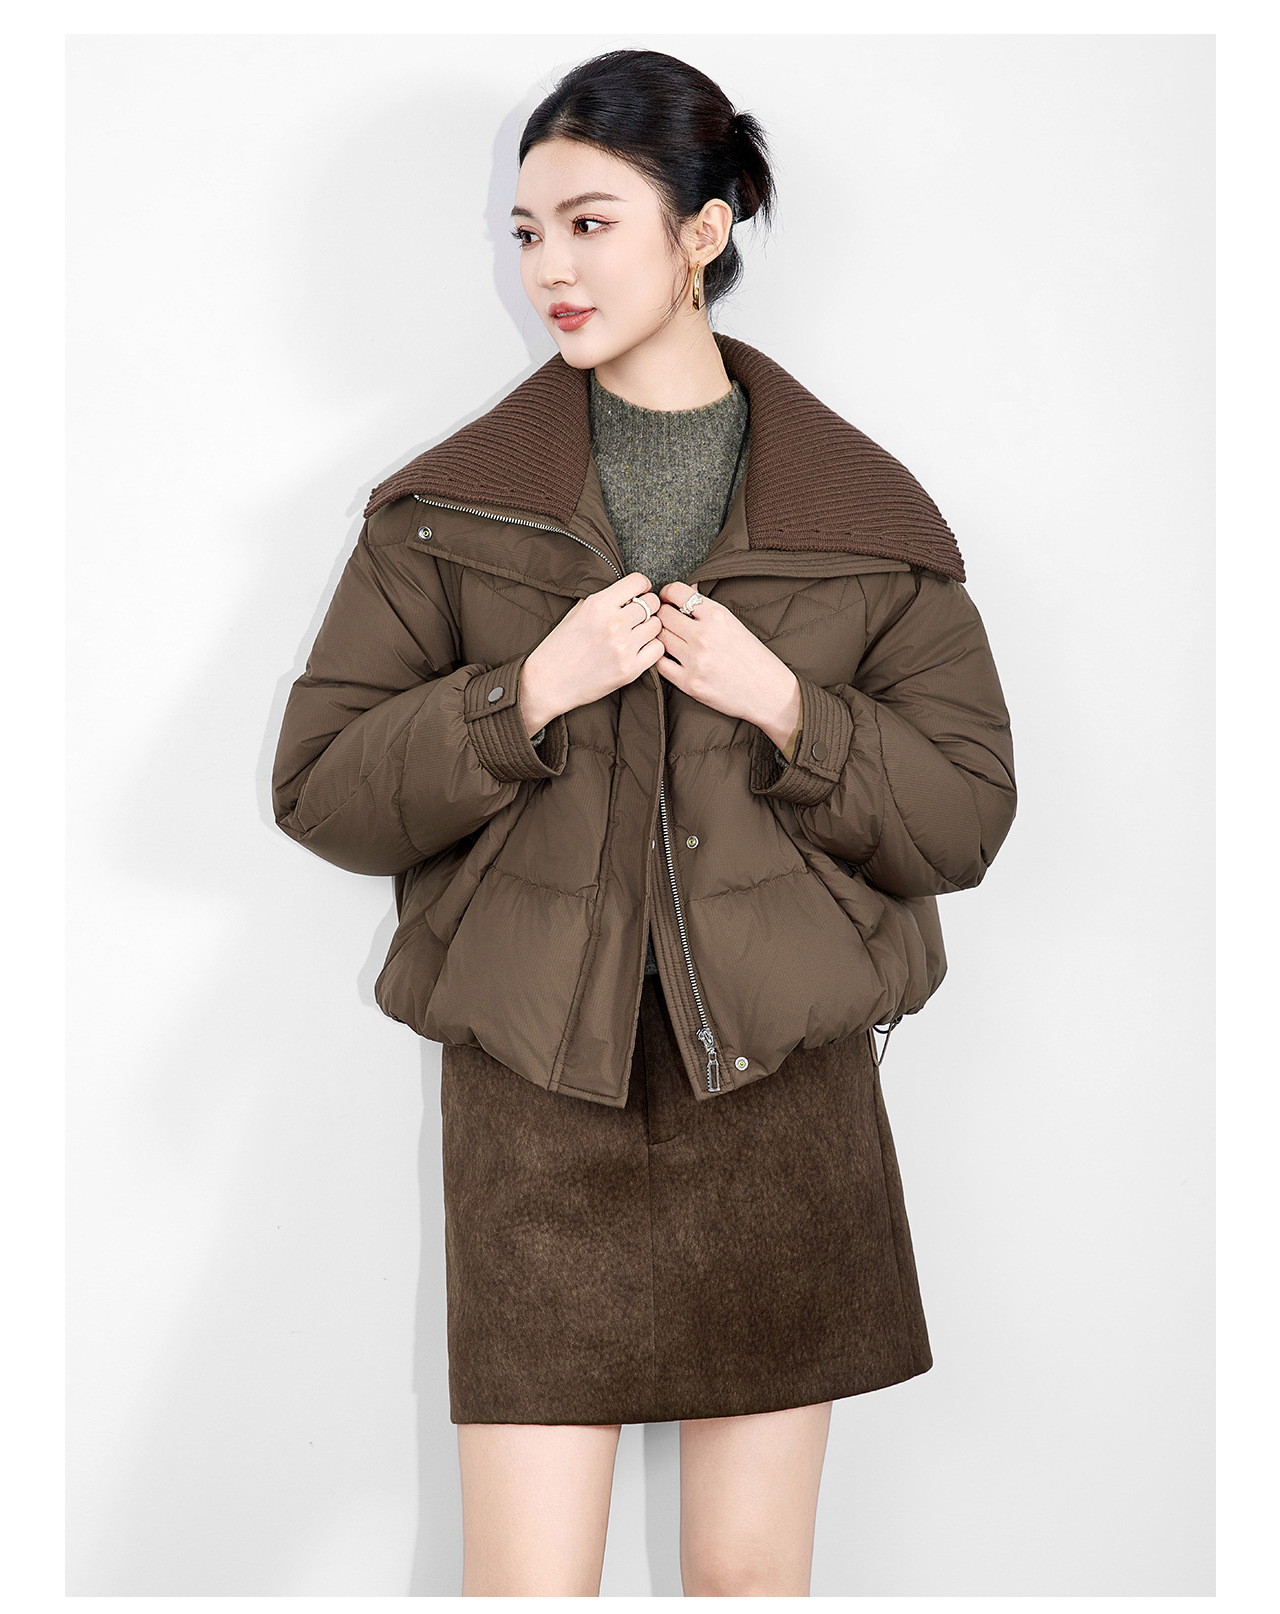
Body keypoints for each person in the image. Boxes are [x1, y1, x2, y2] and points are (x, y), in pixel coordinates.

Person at [271, 47, 1016, 1597]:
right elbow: (322, 782)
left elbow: (962, 814)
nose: (547, 266)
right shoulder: (446, 512)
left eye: (588, 223)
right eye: (525, 230)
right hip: (539, 1102)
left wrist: (791, 706)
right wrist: (524, 693)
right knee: (527, 1584)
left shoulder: (864, 518)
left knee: (752, 1580)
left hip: (785, 1105)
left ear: (704, 229)